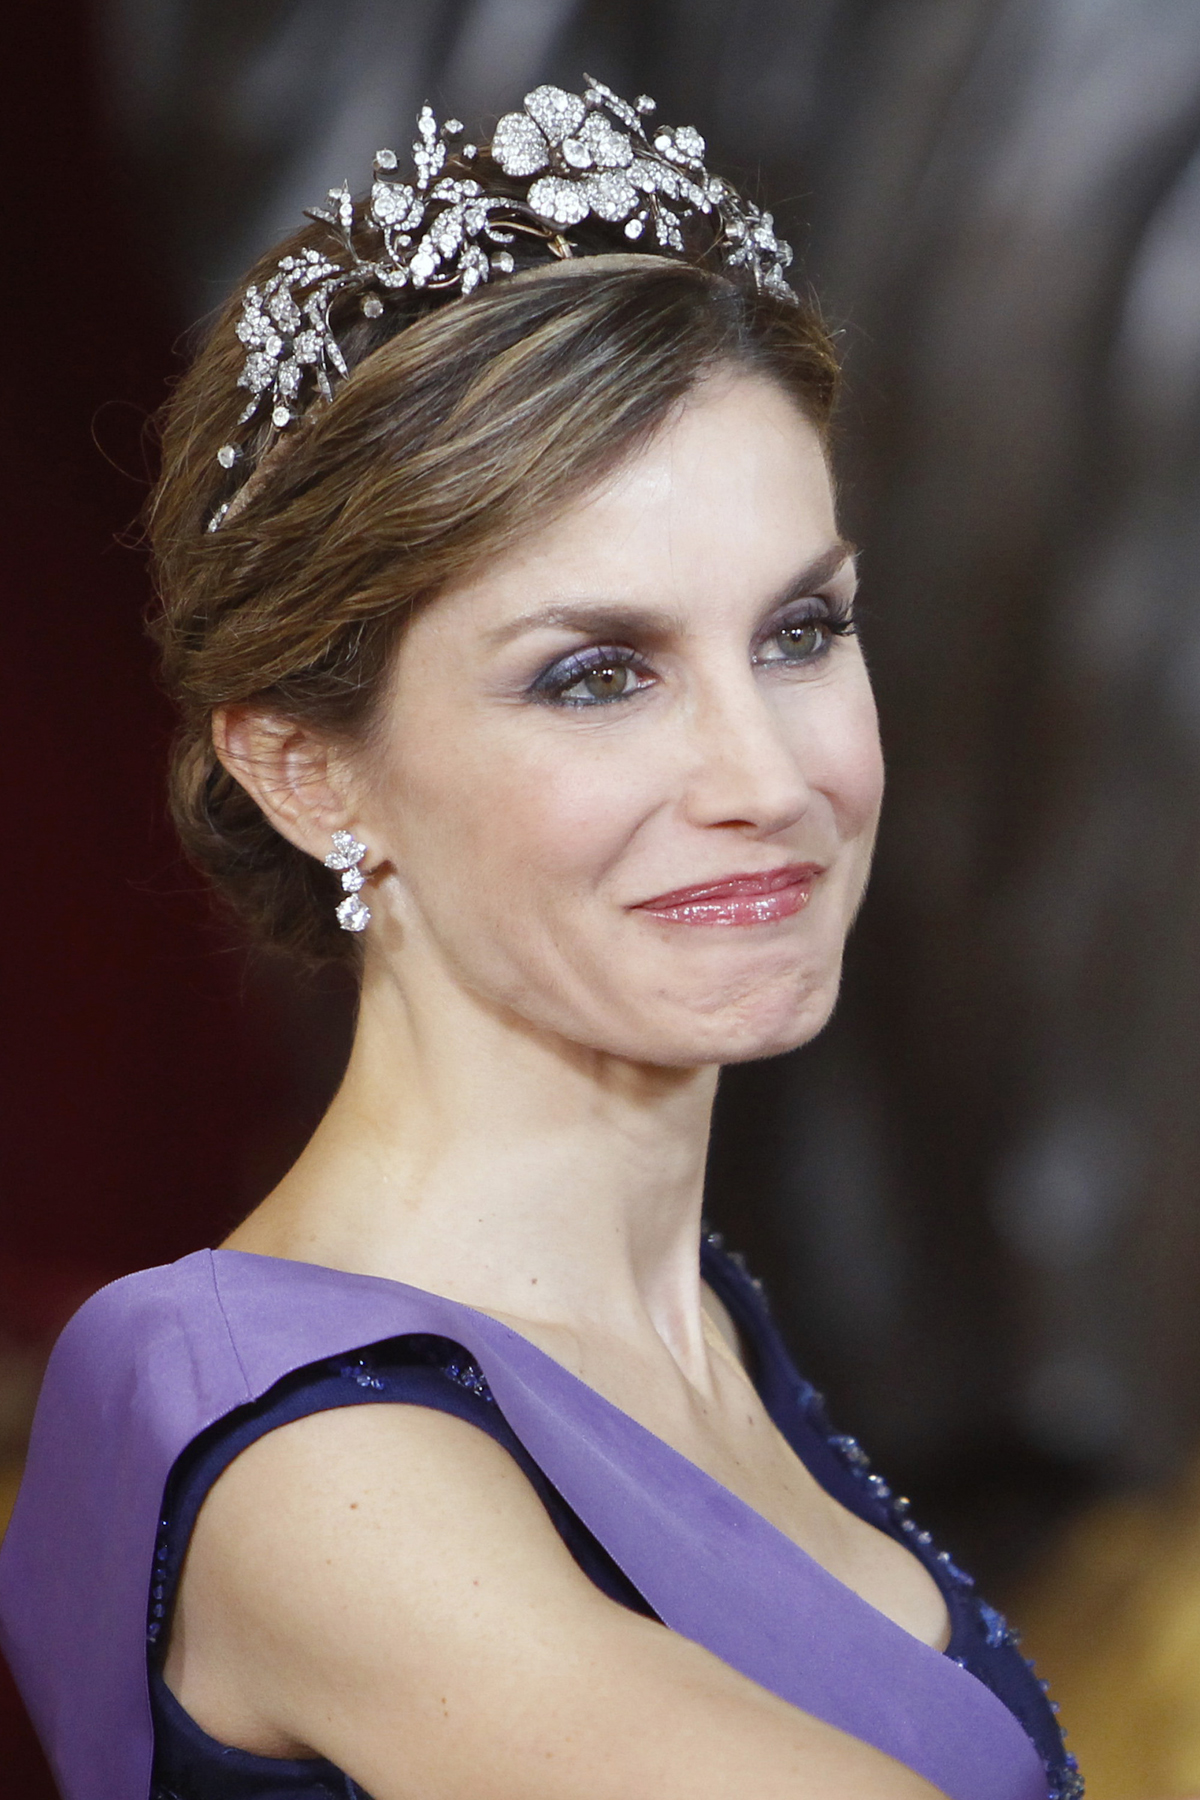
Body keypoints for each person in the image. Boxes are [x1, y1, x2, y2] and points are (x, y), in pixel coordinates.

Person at [0, 79, 1080, 1800]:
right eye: (596, 673)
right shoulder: (300, 1446)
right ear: (303, 767)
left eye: (802, 633)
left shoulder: (698, 1322)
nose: (769, 776)